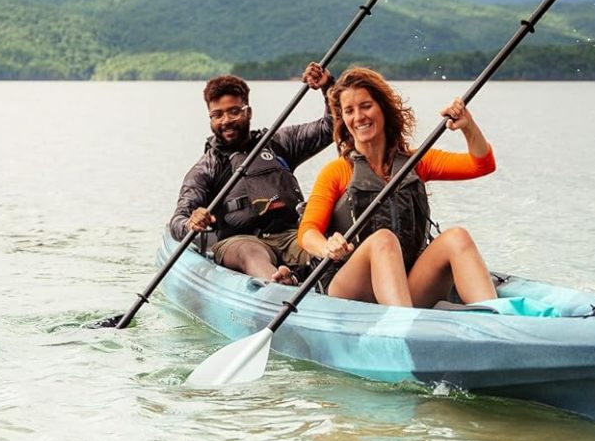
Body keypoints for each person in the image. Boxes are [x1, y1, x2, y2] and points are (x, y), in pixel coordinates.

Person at [297, 66, 497, 308]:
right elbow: (307, 232)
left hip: (402, 285)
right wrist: (326, 246)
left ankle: (496, 318)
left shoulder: (416, 162)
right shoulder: (337, 171)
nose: (358, 117)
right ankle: (403, 324)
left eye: (366, 106)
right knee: (383, 239)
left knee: (457, 237)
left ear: (383, 108)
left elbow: (482, 165)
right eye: (349, 111)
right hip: (350, 288)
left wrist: (467, 125)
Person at [169, 62, 335, 284]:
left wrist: (328, 86)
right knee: (250, 252)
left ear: (248, 112)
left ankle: (307, 281)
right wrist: (191, 223)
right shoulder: (207, 167)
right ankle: (277, 283)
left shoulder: (279, 143)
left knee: (320, 250)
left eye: (234, 111)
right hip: (239, 242)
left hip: (290, 235)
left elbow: (330, 126)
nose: (226, 121)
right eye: (217, 115)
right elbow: (177, 221)